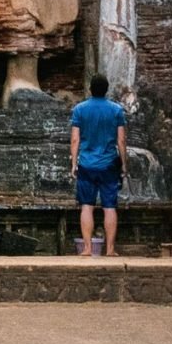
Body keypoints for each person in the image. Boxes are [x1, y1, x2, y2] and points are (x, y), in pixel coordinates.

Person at [67, 73, 126, 257]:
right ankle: (109, 250)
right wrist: (124, 165)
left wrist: (74, 163)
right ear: (106, 90)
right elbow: (121, 140)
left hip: (86, 164)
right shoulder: (116, 110)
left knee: (86, 206)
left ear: (90, 89)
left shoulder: (80, 109)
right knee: (110, 207)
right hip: (109, 165)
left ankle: (86, 248)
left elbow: (75, 140)